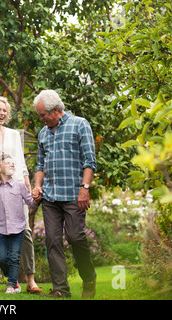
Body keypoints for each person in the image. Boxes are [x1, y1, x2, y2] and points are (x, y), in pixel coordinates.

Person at [0, 96, 42, 293]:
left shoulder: (13, 135)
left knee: (25, 233)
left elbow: (20, 163)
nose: (1, 113)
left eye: (4, 110)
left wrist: (27, 186)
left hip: (16, 188)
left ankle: (30, 280)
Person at [32, 89, 97, 298]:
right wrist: (37, 186)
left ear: (56, 110)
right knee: (52, 240)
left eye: (43, 115)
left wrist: (84, 189)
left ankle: (89, 277)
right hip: (50, 197)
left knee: (75, 236)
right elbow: (40, 165)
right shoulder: (43, 133)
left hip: (73, 195)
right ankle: (60, 289)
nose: (41, 119)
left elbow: (90, 161)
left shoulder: (80, 125)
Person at [0, 153, 40, 294]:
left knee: (14, 257)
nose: (12, 164)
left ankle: (12, 285)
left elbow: (30, 203)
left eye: (12, 163)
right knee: (1, 258)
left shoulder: (20, 186)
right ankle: (12, 278)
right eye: (7, 163)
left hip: (18, 228)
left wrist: (36, 198)